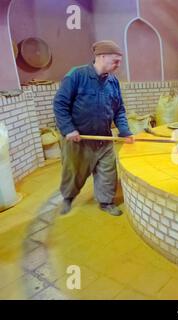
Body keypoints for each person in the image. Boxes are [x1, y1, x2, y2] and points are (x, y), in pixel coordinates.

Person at [53, 40, 134, 216]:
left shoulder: (113, 81)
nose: (119, 65)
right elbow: (60, 104)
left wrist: (125, 130)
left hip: (104, 139)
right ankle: (68, 197)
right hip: (79, 139)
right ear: (102, 56)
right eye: (116, 60)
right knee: (74, 173)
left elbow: (119, 108)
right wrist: (68, 129)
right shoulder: (77, 75)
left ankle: (106, 202)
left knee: (108, 172)